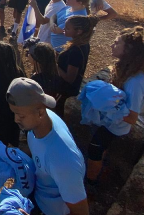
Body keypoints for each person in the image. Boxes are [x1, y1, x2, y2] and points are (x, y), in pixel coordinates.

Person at [85, 26, 144, 185]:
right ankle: (99, 171)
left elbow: (132, 117)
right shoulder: (126, 70)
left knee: (94, 149)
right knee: (99, 148)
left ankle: (90, 183)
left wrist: (108, 104)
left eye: (117, 43)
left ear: (129, 50)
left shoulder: (136, 82)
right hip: (109, 120)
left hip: (114, 126)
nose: (112, 45)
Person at [6, 78, 88, 215]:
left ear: (40, 113)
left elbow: (81, 212)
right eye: (14, 113)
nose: (15, 120)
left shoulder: (63, 160)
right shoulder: (41, 122)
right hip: (39, 196)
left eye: (21, 116)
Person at [56, 15, 100, 116]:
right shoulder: (83, 44)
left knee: (58, 111)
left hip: (65, 90)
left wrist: (54, 65)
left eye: (67, 28)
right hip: (69, 88)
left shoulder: (76, 50)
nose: (64, 29)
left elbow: (69, 78)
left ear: (78, 31)